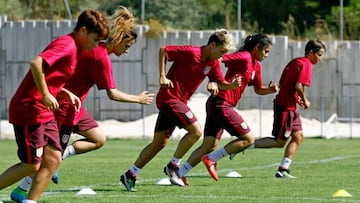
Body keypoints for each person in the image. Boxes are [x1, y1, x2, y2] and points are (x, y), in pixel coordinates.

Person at [10, 6, 154, 202]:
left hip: (72, 105)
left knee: (97, 139)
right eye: (126, 46)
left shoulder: (88, 49)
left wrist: (64, 91)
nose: (126, 51)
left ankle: (35, 187)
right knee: (40, 162)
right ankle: (22, 190)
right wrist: (138, 99)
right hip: (59, 108)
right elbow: (112, 93)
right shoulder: (96, 54)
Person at [0, 9, 109, 203]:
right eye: (94, 39)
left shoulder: (76, 50)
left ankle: (29, 201)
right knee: (31, 165)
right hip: (29, 108)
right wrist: (45, 94)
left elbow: (51, 78)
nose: (95, 45)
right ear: (83, 31)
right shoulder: (67, 45)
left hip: (46, 111)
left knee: (53, 159)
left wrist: (67, 93)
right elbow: (36, 64)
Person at [120, 29, 241, 192]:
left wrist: (231, 85)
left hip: (177, 102)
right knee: (196, 131)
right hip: (169, 98)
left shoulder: (213, 63)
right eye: (222, 51)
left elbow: (219, 82)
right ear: (212, 45)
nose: (222, 56)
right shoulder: (191, 53)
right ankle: (173, 166)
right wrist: (162, 76)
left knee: (159, 143)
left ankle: (130, 174)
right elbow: (164, 50)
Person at [177, 34, 276, 183]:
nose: (267, 55)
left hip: (217, 104)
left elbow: (258, 89)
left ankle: (179, 174)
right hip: (221, 104)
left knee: (209, 144)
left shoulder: (256, 66)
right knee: (248, 139)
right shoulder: (244, 56)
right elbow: (218, 59)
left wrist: (270, 90)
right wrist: (213, 81)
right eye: (266, 51)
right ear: (257, 48)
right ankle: (211, 159)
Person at [243, 39, 326, 178]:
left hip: (290, 106)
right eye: (319, 54)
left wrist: (297, 98)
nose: (320, 58)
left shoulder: (296, 61)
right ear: (311, 53)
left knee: (298, 136)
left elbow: (285, 84)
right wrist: (305, 100)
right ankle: (242, 146)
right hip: (285, 107)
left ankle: (283, 169)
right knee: (279, 142)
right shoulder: (306, 63)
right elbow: (298, 86)